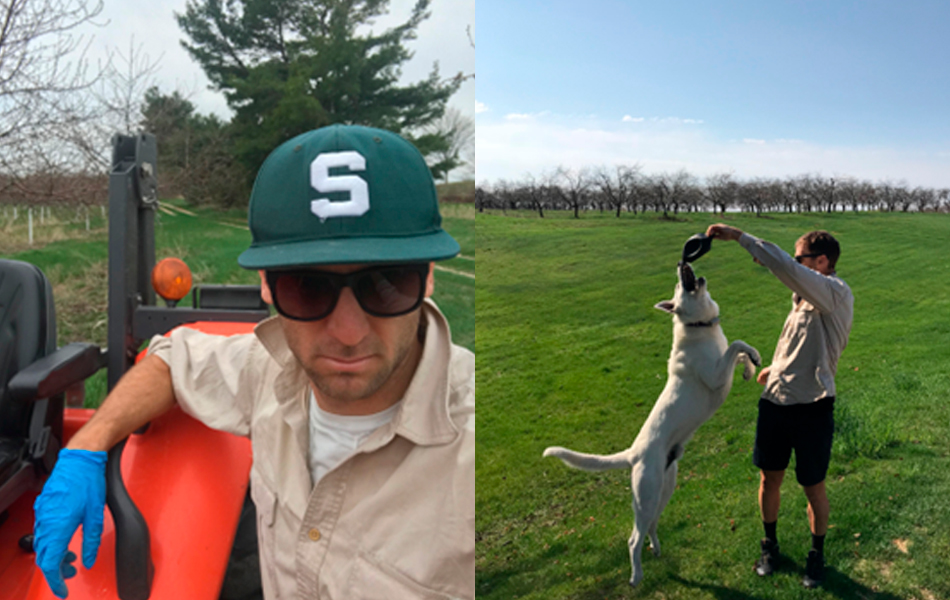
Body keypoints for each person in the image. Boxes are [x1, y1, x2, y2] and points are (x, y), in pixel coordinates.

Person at [32, 125, 475, 600]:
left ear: (428, 279)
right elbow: (172, 356)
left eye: (386, 284)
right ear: (267, 286)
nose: (349, 333)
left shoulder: (471, 453)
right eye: (308, 288)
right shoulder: (269, 370)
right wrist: (88, 447)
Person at [705, 224, 853, 589]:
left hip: (813, 407)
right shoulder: (801, 300)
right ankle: (770, 545)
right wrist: (775, 367)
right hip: (776, 402)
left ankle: (816, 555)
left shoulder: (834, 292)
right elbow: (800, 343)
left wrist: (740, 237)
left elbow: (785, 267)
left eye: (801, 259)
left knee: (813, 487)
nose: (795, 267)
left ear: (822, 261)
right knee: (769, 477)